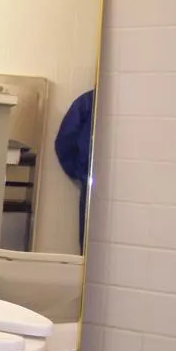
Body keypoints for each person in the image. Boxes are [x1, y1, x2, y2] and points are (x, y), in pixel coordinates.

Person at [55, 90, 95, 254]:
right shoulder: (88, 102)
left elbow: (65, 141)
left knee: (90, 247)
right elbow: (64, 142)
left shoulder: (88, 101)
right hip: (93, 181)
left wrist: (81, 173)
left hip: (92, 181)